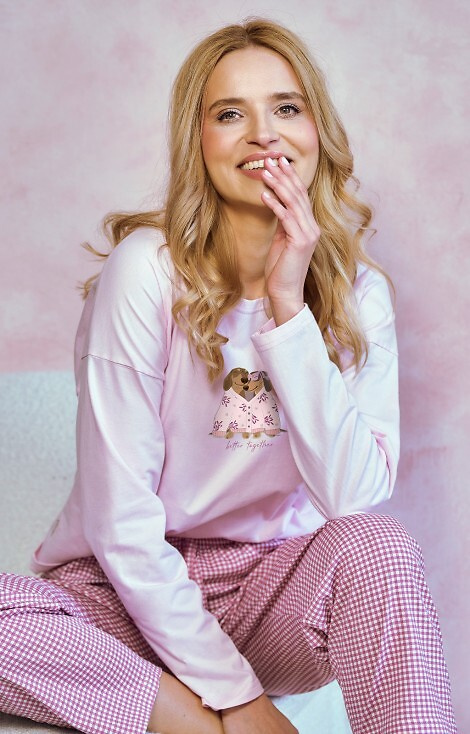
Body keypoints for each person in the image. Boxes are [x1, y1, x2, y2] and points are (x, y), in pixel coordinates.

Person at [0, 18, 457, 734]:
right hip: (124, 598)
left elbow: (353, 498)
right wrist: (235, 702)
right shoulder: (145, 271)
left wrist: (287, 307)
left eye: (286, 107)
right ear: (199, 141)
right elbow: (121, 525)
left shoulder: (359, 294)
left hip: (273, 593)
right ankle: (181, 717)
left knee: (382, 549)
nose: (263, 134)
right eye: (230, 114)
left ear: (317, 131)